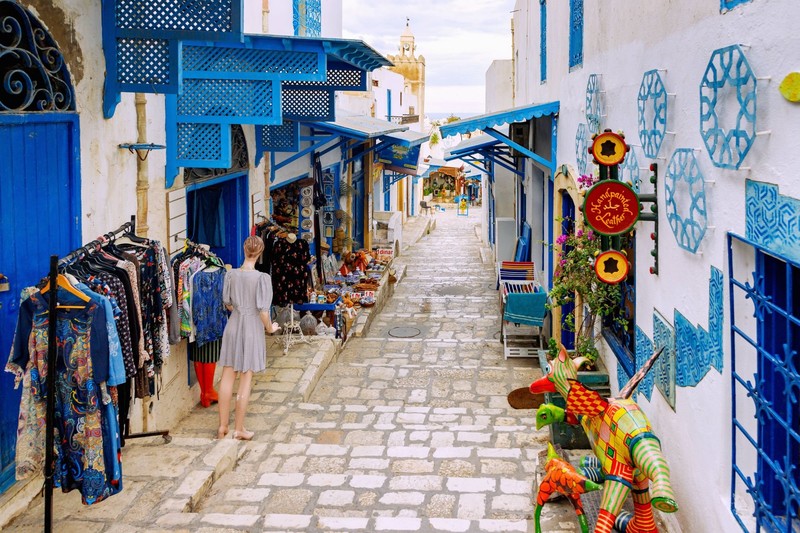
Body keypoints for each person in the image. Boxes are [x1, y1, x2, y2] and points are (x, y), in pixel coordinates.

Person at [217, 235, 280, 440]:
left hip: (233, 325)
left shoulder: (231, 275)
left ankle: (222, 426)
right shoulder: (262, 279)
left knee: (227, 375)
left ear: (244, 250)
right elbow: (263, 312)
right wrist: (271, 328)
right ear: (260, 253)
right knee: (245, 378)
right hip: (251, 327)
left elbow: (227, 304)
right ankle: (239, 429)